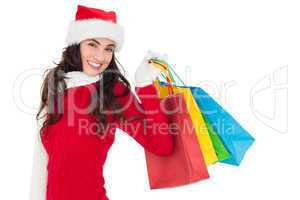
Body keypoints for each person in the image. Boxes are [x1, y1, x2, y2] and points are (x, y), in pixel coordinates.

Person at [29, 4, 174, 200]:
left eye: (109, 49)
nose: (100, 56)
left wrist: (145, 85)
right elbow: (47, 162)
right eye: (92, 44)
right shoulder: (56, 85)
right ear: (76, 44)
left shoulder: (112, 92)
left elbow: (162, 146)